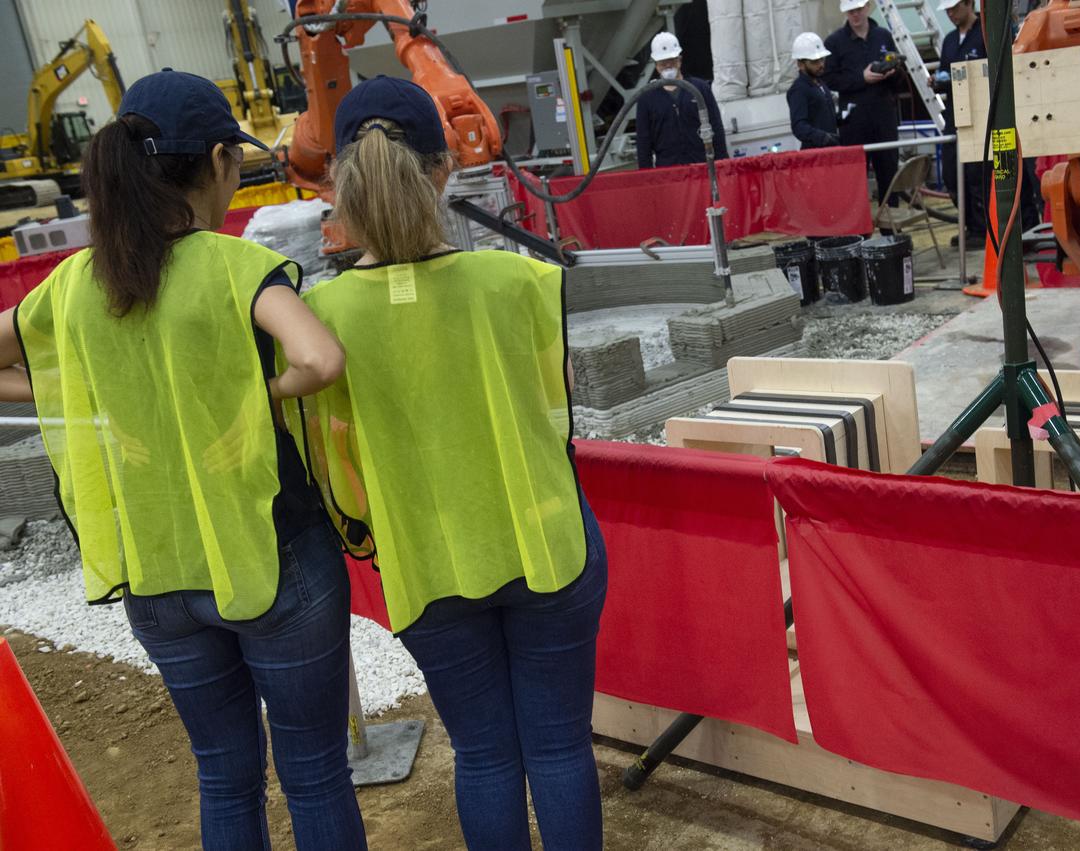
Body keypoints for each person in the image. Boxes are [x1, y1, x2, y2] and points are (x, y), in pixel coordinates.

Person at [0, 70, 364, 850]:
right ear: (222, 161)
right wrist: (254, 392)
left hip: (157, 574)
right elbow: (320, 359)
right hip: (271, 560)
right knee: (313, 769)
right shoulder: (233, 267)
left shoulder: (75, 283)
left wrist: (80, 390)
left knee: (224, 771)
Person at [299, 76, 609, 851]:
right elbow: (555, 405)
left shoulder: (322, 317)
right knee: (560, 747)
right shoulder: (519, 282)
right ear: (443, 170)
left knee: (484, 753)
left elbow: (334, 461)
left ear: (341, 182)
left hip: (427, 561)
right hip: (545, 543)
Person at [823, 0, 902, 208]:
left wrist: (892, 71)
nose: (855, 15)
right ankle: (860, 234)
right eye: (851, 12)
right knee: (855, 178)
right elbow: (829, 79)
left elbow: (898, 79)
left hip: (883, 116)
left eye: (858, 10)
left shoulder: (883, 36)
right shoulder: (834, 43)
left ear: (867, 7)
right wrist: (861, 79)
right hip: (854, 122)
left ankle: (891, 230)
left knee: (889, 173)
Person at [935, 0, 987, 249]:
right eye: (947, 11)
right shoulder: (949, 40)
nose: (950, 14)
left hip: (980, 114)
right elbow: (946, 72)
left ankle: (981, 227)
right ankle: (970, 224)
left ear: (969, 4)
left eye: (954, 9)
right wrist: (938, 82)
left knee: (977, 174)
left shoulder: (986, 34)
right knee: (951, 173)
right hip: (956, 115)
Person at [635, 31, 729, 168]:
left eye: (671, 60)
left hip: (702, 169)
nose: (667, 65)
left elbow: (716, 128)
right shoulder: (646, 99)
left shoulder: (700, 89)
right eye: (662, 62)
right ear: (656, 65)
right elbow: (643, 142)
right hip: (668, 174)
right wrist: (647, 180)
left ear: (679, 60)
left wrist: (723, 165)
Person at [787, 32, 840, 149]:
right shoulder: (799, 89)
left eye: (822, 59)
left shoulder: (820, 83)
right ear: (800, 64)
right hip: (815, 156)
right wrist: (822, 138)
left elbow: (820, 116)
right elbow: (798, 126)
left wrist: (840, 118)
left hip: (829, 151)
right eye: (814, 61)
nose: (821, 64)